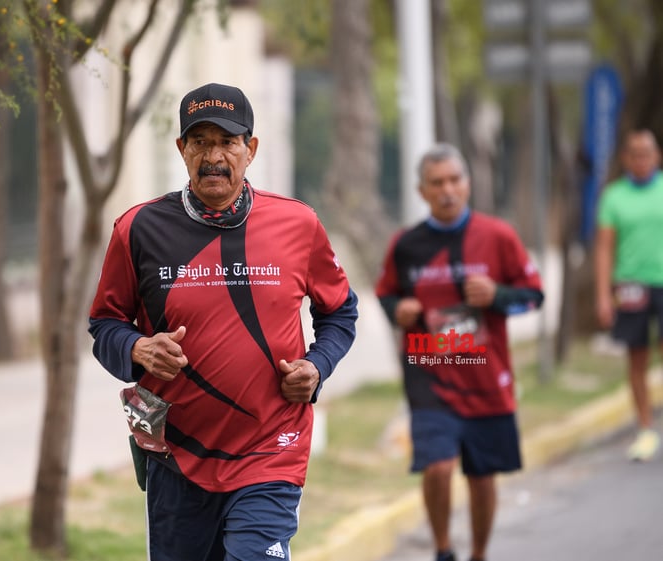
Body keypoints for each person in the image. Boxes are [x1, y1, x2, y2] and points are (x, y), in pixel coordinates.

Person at [87, 82, 358, 561]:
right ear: (181, 149)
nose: (213, 156)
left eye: (227, 142)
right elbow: (105, 324)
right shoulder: (138, 229)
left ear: (250, 150)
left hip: (271, 448)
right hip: (175, 454)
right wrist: (136, 348)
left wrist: (317, 366)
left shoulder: (298, 224)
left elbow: (340, 312)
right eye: (200, 142)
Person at [374, 143, 543, 561]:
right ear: (422, 191)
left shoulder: (498, 236)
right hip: (429, 374)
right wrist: (402, 309)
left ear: (467, 185)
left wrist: (498, 294)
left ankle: (479, 553)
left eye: (454, 180)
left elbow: (534, 296)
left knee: (482, 476)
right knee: (438, 466)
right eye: (437, 183)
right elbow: (385, 294)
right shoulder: (407, 245)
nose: (447, 190)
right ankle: (444, 549)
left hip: (485, 375)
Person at [595, 128, 663, 462]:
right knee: (637, 359)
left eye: (646, 152)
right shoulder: (614, 196)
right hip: (631, 285)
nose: (641, 159)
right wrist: (603, 295)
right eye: (634, 153)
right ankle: (646, 429)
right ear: (626, 158)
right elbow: (605, 249)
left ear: (657, 156)